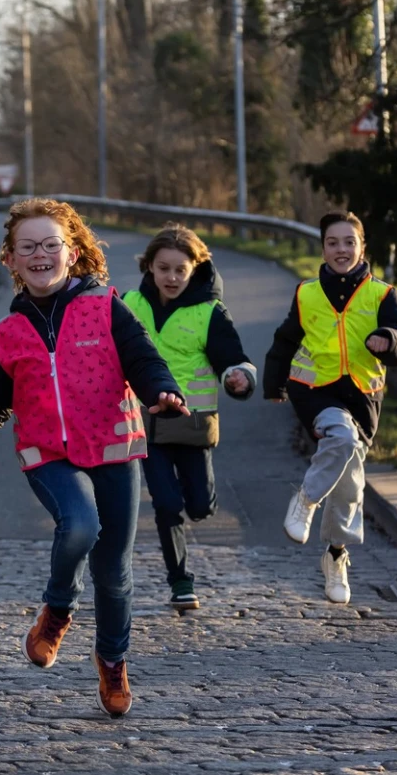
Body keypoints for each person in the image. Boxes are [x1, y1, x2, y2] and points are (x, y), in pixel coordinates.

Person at [0, 198, 189, 718]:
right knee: (79, 526)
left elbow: (144, 360)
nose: (40, 254)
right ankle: (58, 610)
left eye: (50, 245)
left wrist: (162, 391)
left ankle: (112, 662)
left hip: (113, 449)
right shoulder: (7, 332)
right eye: (28, 247)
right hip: (48, 455)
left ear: (72, 252)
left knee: (114, 573)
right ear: (11, 259)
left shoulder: (107, 307)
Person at [263, 210, 397, 604]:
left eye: (349, 242)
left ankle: (335, 555)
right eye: (333, 243)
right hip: (315, 391)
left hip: (363, 397)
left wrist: (388, 339)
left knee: (350, 484)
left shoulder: (382, 294)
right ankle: (306, 501)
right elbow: (285, 340)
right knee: (342, 440)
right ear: (323, 249)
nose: (341, 249)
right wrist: (274, 384)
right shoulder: (307, 293)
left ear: (362, 247)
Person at [123, 223, 256, 611]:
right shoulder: (128, 304)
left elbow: (234, 359)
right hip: (145, 425)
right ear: (149, 266)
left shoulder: (209, 313)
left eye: (180, 269)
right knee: (166, 504)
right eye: (163, 268)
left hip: (193, 426)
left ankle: (196, 502)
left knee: (199, 506)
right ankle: (180, 581)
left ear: (195, 268)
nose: (172, 277)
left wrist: (238, 378)